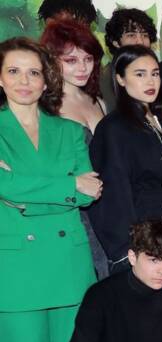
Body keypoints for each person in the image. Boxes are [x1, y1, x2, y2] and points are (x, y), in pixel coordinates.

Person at [0, 37, 100, 342]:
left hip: (69, 267)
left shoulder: (68, 131)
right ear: (0, 78)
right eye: (14, 71)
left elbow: (89, 193)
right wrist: (63, 185)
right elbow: (12, 187)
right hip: (15, 272)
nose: (25, 80)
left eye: (34, 72)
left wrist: (22, 190)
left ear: (46, 81)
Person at [89, 45, 162, 274]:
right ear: (120, 79)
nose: (150, 81)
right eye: (140, 74)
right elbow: (113, 194)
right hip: (144, 242)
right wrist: (126, 251)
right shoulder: (113, 128)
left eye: (155, 73)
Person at [40, 19, 109, 278]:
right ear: (52, 60)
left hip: (108, 209)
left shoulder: (98, 101)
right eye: (71, 60)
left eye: (88, 59)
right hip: (71, 213)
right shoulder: (45, 109)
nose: (82, 67)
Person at [101, 7, 158, 108]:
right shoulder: (107, 78)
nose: (140, 41)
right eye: (131, 35)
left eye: (145, 35)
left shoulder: (156, 71)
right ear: (115, 42)